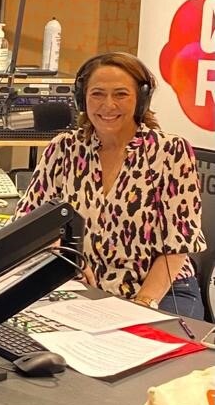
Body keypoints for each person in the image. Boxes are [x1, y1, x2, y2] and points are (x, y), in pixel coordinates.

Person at [16, 51, 206, 318]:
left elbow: (177, 246)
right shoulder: (64, 148)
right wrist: (68, 260)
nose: (108, 105)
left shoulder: (171, 152)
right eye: (97, 94)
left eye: (120, 94)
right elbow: (29, 222)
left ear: (141, 99)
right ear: (82, 98)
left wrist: (142, 305)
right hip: (82, 288)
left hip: (161, 290)